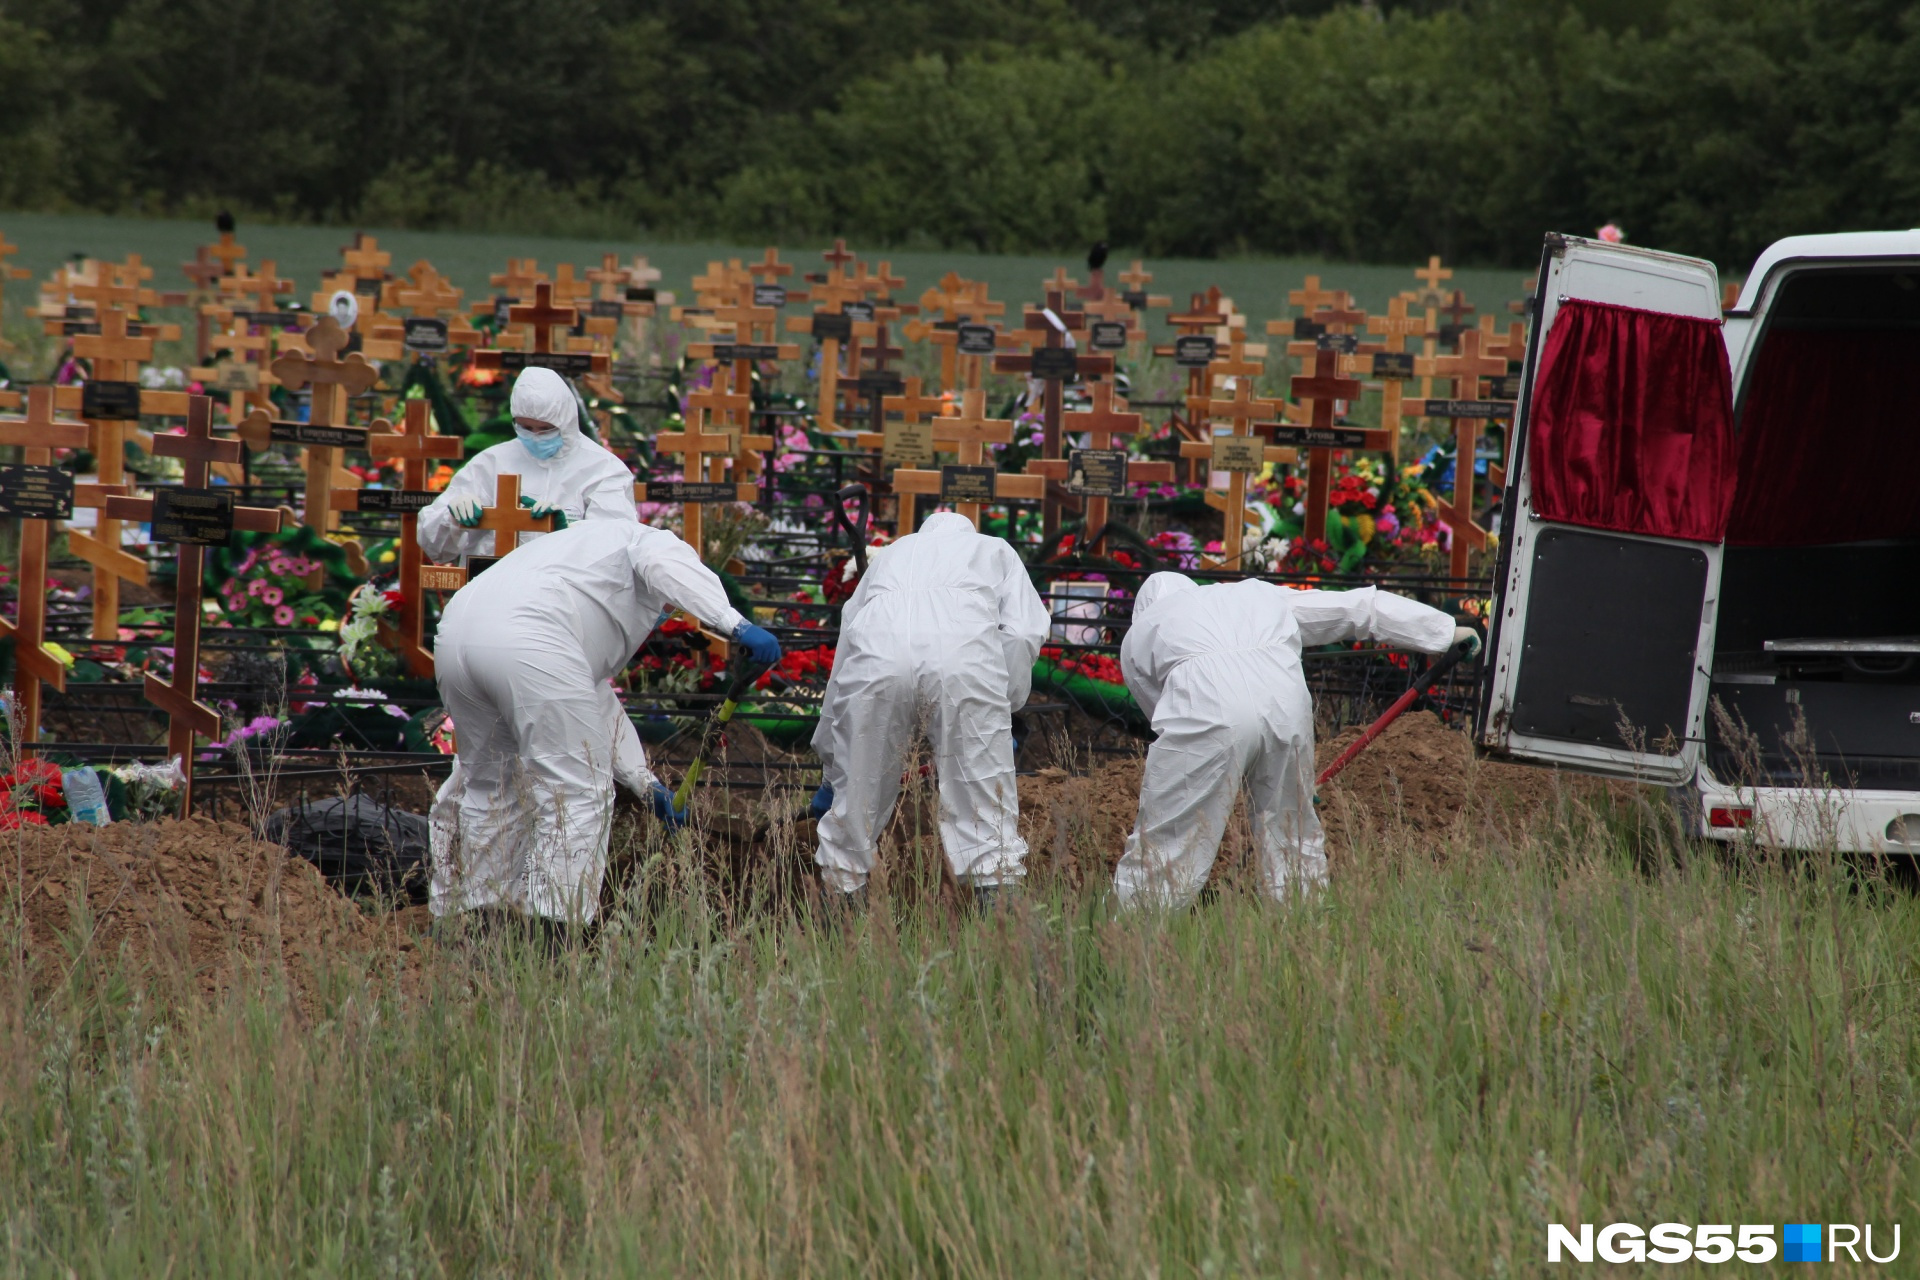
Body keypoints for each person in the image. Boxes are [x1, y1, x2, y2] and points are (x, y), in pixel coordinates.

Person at [428, 520, 782, 926]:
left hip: (456, 635)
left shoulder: (571, 558)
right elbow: (664, 561)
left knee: (492, 786)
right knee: (576, 790)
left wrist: (644, 784)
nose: (665, 615)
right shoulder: (645, 539)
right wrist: (734, 623)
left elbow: (593, 701)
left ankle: (473, 920)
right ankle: (553, 930)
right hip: (531, 634)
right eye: (669, 607)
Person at [1114, 572, 1477, 909]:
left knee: (1170, 844)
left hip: (1205, 708)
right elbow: (1359, 607)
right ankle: (1302, 934)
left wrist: (1220, 769)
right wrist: (1445, 631)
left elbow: (1161, 712)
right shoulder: (1254, 593)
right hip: (1286, 706)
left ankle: (1131, 945)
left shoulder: (1143, 630)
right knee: (1293, 834)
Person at [811, 512, 1050, 909]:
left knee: (854, 815)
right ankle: (1006, 947)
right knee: (986, 819)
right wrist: (1002, 700)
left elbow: (847, 645)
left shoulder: (890, 555)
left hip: (877, 664)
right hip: (965, 665)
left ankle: (840, 937)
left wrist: (833, 766)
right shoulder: (993, 549)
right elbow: (1024, 631)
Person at [418, 366, 636, 564]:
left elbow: (616, 545)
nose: (535, 436)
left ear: (565, 420)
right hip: (489, 589)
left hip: (563, 595)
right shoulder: (492, 463)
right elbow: (436, 548)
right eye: (525, 427)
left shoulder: (602, 469)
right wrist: (451, 518)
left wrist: (568, 531)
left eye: (545, 428)